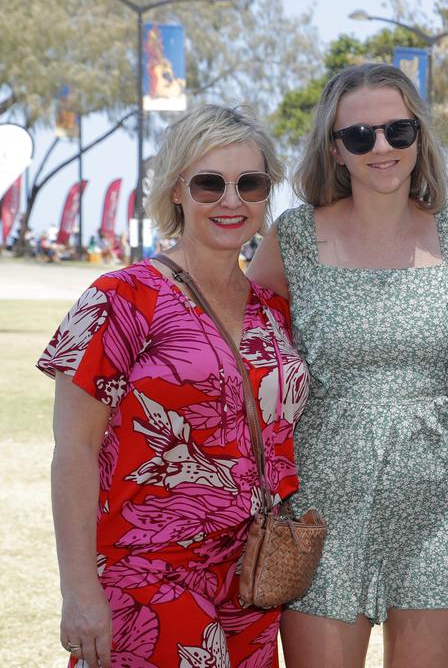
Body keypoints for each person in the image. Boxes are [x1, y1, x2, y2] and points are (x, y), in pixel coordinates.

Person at [38, 104, 307, 668]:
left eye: (249, 184)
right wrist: (79, 591)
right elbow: (75, 453)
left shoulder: (273, 311)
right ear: (176, 191)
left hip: (253, 581)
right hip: (147, 581)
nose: (231, 201)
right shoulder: (120, 300)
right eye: (210, 183)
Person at [246, 63, 448, 668]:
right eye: (360, 136)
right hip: (320, 500)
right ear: (336, 151)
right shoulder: (294, 236)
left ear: (419, 137)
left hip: (440, 499)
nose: (381, 147)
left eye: (397, 131)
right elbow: (244, 345)